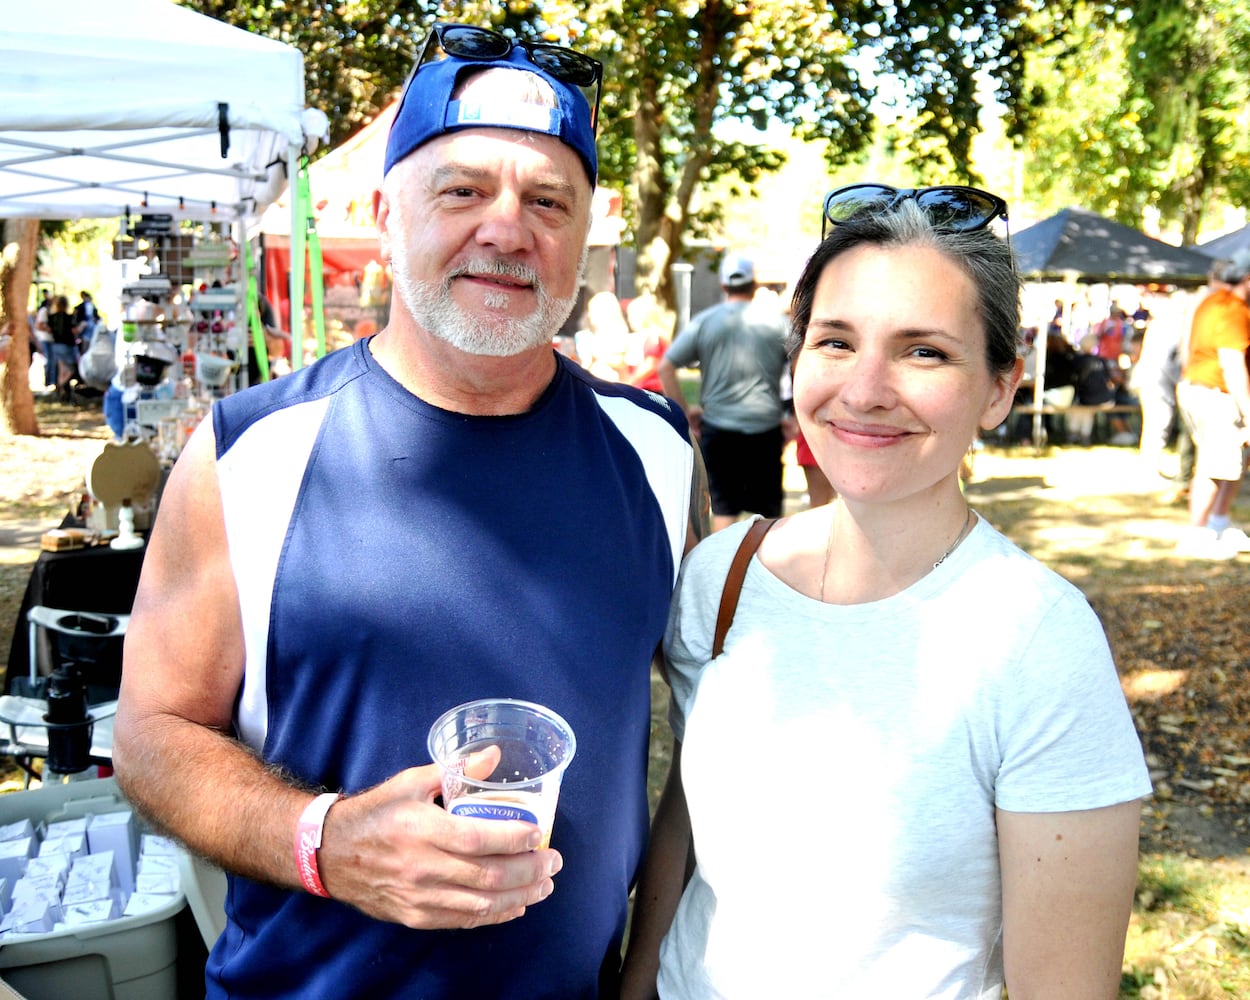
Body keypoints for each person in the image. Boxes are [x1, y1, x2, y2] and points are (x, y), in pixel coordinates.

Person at [113, 23, 704, 999]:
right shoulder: (247, 451)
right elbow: (150, 734)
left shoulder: (656, 449)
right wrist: (327, 841)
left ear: (585, 236)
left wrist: (644, 967)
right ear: (386, 216)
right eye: (462, 190)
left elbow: (710, 727)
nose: (506, 231)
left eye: (546, 201)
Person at [622, 184, 1151, 999]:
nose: (865, 389)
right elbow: (685, 823)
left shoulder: (1039, 642)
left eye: (924, 351)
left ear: (1000, 389)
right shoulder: (719, 580)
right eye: (836, 342)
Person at [658, 252, 791, 531]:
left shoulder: (705, 322)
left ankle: (725, 574)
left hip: (718, 430)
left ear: (723, 286)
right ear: (754, 284)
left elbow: (666, 366)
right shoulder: (778, 322)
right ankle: (766, 573)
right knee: (768, 518)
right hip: (764, 429)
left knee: (723, 511)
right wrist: (797, 418)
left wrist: (684, 412)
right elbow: (804, 360)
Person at [1175, 248, 1250, 559]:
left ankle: (1217, 525)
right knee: (1214, 466)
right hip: (1215, 393)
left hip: (1197, 387)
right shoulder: (1233, 310)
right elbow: (1232, 366)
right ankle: (1196, 535)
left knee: (1233, 462)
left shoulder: (1211, 301)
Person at [45, 294, 78, 400]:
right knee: (70, 370)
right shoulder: (69, 317)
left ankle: (62, 392)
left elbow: (48, 328)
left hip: (56, 344)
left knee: (62, 370)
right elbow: (74, 330)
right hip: (66, 345)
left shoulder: (52, 317)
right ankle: (61, 385)